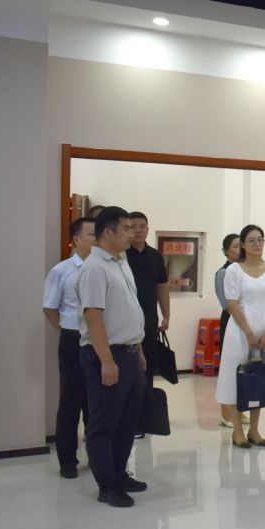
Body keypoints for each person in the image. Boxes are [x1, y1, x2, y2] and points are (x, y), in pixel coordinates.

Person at [77, 206, 150, 508]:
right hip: (106, 355)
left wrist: (139, 350)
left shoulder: (120, 262)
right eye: (126, 228)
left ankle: (120, 473)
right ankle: (107, 485)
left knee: (127, 420)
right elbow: (93, 316)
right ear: (108, 232)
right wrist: (107, 361)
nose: (132, 234)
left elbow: (130, 310)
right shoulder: (94, 268)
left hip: (129, 353)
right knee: (104, 422)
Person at [215, 225, 265, 448]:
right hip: (239, 330)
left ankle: (254, 429)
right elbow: (232, 305)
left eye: (260, 239)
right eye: (251, 240)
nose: (257, 244)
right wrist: (249, 333)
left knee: (259, 376)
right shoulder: (233, 270)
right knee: (237, 377)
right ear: (242, 244)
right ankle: (237, 431)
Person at [42, 216, 95, 478]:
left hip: (99, 341)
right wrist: (67, 330)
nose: (97, 240)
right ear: (76, 240)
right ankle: (67, 460)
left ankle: (97, 457)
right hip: (73, 340)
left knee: (96, 402)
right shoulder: (61, 271)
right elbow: (49, 308)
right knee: (71, 401)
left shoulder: (104, 268)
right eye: (92, 235)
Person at [125, 211, 169, 388]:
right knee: (129, 368)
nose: (138, 230)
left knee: (148, 368)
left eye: (142, 226)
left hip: (150, 320)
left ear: (148, 229)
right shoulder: (121, 256)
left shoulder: (156, 256)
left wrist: (166, 315)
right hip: (126, 321)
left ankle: (146, 403)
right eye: (133, 227)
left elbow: (162, 287)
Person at [214, 232, 247, 430]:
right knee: (228, 367)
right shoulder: (223, 273)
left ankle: (239, 410)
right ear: (226, 252)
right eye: (235, 246)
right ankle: (225, 413)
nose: (239, 249)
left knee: (242, 367)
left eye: (240, 245)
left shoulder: (245, 270)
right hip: (232, 322)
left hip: (247, 322)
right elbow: (227, 305)